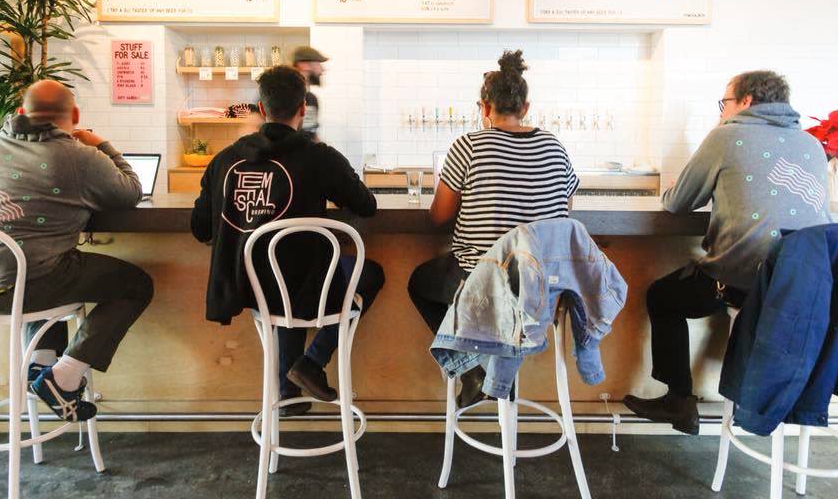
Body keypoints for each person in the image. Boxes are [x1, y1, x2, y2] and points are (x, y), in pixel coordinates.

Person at [624, 70, 830, 435]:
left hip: (746, 284)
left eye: (725, 103)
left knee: (663, 296)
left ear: (746, 101)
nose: (722, 111)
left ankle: (679, 400)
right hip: (804, 290)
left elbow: (678, 203)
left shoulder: (727, 135)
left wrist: (674, 188)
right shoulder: (812, 144)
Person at [0, 80, 154, 422]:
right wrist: (101, 144)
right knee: (136, 284)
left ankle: (39, 365)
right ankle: (63, 378)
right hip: (20, 285)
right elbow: (131, 191)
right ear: (75, 115)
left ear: (20, 112)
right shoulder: (77, 156)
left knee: (46, 262)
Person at [192, 66, 384, 416]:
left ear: (261, 109)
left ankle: (288, 391)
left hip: (244, 286)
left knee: (287, 277)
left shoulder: (224, 160)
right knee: (364, 273)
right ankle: (311, 361)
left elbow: (200, 229)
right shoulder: (320, 157)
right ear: (302, 109)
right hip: (303, 287)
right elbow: (366, 206)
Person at [407, 50, 580, 407]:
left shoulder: (468, 146)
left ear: (484, 107)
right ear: (526, 107)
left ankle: (472, 369)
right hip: (543, 290)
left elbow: (439, 217)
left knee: (420, 283)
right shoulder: (556, 148)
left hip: (483, 282)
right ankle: (493, 369)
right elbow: (564, 213)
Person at [291, 46, 327, 139]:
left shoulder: (311, 98)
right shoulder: (277, 95)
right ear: (304, 65)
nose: (322, 70)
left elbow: (311, 133)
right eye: (318, 64)